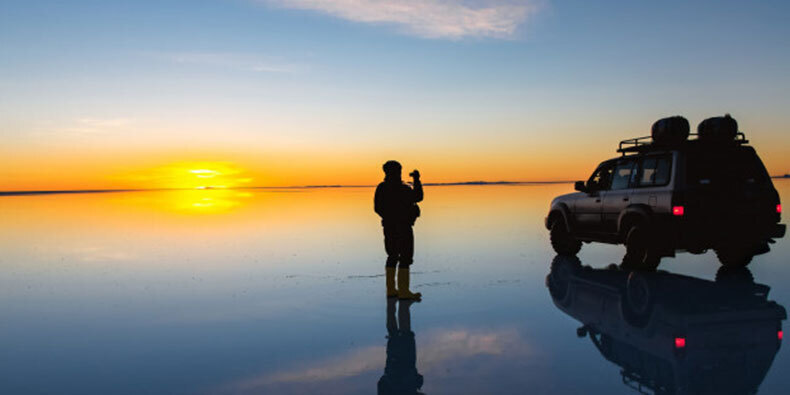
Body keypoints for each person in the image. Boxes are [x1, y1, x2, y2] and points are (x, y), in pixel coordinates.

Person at [374, 160, 423, 300]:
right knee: (405, 257)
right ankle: (403, 291)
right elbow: (418, 197)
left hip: (389, 227)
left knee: (392, 255)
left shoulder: (382, 187)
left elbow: (377, 208)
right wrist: (417, 180)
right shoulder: (403, 188)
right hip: (403, 227)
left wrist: (389, 218)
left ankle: (391, 290)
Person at [377, 299, 424, 395]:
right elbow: (381, 384)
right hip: (394, 370)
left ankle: (403, 304)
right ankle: (396, 302)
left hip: (405, 372)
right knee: (395, 335)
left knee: (405, 334)